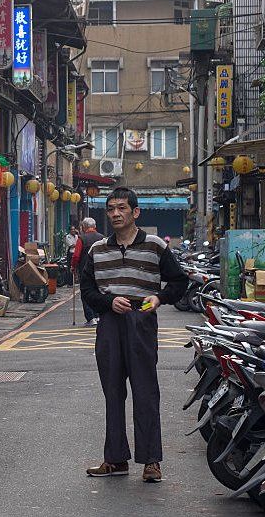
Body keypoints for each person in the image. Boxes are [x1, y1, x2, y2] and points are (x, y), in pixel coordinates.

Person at [81, 187, 187, 484]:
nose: (115, 213)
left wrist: (159, 299)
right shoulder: (97, 249)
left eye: (121, 208)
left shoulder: (155, 246)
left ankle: (151, 462)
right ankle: (115, 459)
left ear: (135, 212)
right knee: (112, 392)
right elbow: (87, 289)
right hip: (109, 324)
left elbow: (179, 282)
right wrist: (107, 303)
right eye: (111, 209)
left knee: (145, 392)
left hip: (141, 321)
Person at [71, 217, 105, 325]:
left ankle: (91, 318)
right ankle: (99, 316)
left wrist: (73, 267)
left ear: (84, 227)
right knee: (99, 291)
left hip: (85, 270)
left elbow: (76, 256)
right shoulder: (102, 238)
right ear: (95, 227)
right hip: (100, 270)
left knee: (86, 293)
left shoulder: (82, 239)